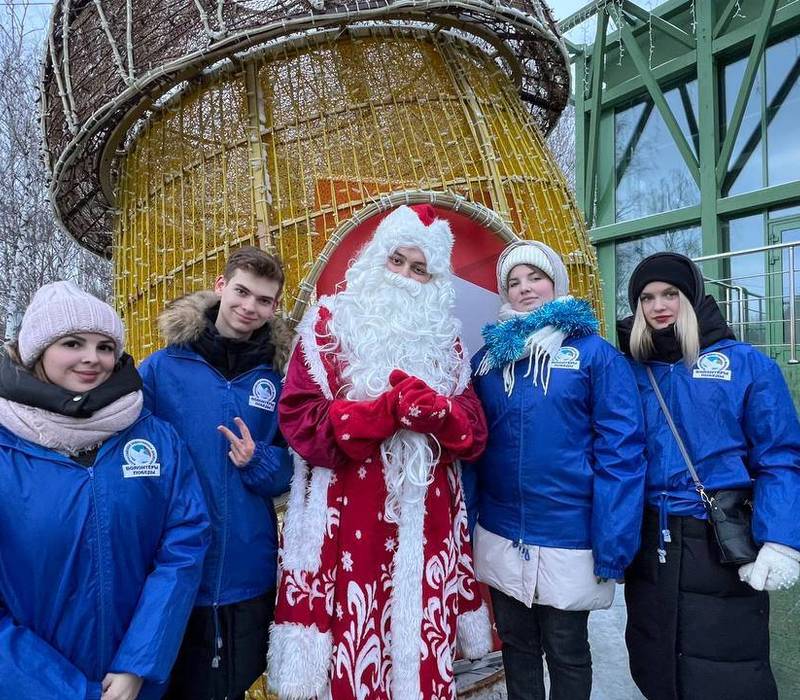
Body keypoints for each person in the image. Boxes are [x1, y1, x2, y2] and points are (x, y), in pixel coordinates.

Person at [267, 204, 492, 700]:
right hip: (349, 526)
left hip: (427, 525)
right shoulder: (327, 324)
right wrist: (380, 413)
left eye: (420, 269)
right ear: (375, 259)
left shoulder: (447, 343)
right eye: (398, 262)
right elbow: (301, 422)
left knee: (421, 653)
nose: (407, 278)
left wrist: (441, 416)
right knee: (353, 655)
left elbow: (474, 433)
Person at [0, 281, 209, 700]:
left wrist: (139, 664)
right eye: (72, 343)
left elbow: (184, 544)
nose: (92, 358)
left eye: (105, 346)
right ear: (37, 351)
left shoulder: (155, 437)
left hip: (135, 685)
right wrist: (66, 691)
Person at [464, 240, 646, 700]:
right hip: (502, 529)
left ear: (556, 282)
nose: (525, 289)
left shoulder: (594, 354)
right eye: (514, 281)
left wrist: (614, 538)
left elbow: (621, 451)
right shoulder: (488, 360)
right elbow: (470, 447)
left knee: (566, 648)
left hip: (570, 532)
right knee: (518, 646)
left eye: (535, 277)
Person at [617, 252, 800, 700]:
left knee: (726, 665)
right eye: (647, 297)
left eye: (670, 294)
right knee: (655, 659)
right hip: (650, 536)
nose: (659, 305)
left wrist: (780, 538)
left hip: (719, 538)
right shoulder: (631, 371)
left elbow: (780, 456)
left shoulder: (746, 365)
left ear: (693, 297)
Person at [139, 247, 293, 700]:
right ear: (221, 287)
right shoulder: (162, 369)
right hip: (176, 567)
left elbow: (290, 470)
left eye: (263, 300)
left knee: (234, 681)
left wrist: (259, 460)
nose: (249, 307)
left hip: (249, 565)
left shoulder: (278, 378)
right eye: (242, 292)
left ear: (274, 307)